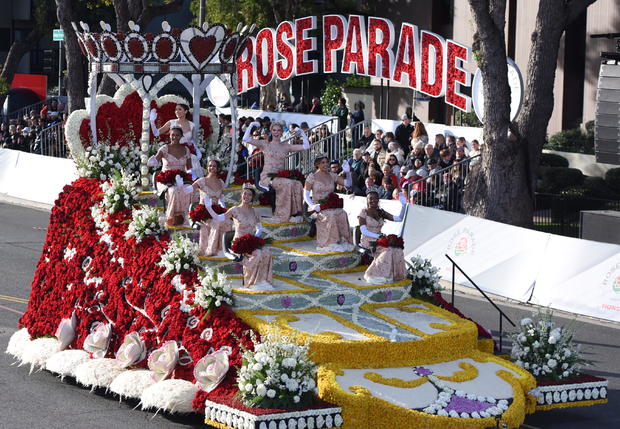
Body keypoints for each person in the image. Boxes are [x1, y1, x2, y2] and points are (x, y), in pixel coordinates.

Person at [204, 185, 273, 290]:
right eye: (244, 193)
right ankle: (251, 282)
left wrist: (255, 237)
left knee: (267, 251)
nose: (246, 196)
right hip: (239, 242)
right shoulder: (235, 210)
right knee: (257, 254)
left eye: (249, 194)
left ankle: (262, 280)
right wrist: (209, 208)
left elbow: (259, 228)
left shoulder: (254, 211)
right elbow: (219, 218)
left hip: (251, 240)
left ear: (252, 197)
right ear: (241, 195)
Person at [243, 120, 310, 223]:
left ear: (282, 132)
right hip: (267, 177)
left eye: (278, 130)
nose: (276, 132)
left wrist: (302, 133)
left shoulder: (286, 146)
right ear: (271, 131)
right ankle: (281, 214)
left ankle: (296, 214)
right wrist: (252, 125)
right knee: (287, 183)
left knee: (297, 183)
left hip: (280, 176)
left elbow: (306, 146)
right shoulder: (265, 144)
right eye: (274, 130)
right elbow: (245, 138)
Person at [304, 155, 353, 252]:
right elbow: (305, 194)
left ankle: (343, 240)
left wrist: (348, 172)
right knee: (330, 215)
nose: (325, 164)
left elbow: (348, 184)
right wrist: (313, 206)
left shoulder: (332, 175)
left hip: (331, 205)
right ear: (317, 164)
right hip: (317, 206)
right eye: (323, 162)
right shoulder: (312, 177)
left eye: (327, 162)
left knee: (342, 213)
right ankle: (330, 243)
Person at [358, 191, 407, 284]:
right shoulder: (363, 212)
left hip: (380, 238)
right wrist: (379, 236)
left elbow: (399, 218)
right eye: (371, 198)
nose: (373, 200)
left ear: (378, 200)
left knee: (396, 248)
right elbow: (363, 231)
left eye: (375, 198)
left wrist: (404, 205)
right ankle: (376, 274)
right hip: (368, 239)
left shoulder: (381, 212)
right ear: (367, 200)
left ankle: (393, 274)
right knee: (388, 250)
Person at [148, 126, 193, 227]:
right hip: (166, 179)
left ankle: (184, 219)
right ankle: (171, 219)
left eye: (177, 135)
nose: (174, 137)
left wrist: (193, 179)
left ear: (181, 136)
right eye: (173, 135)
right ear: (169, 135)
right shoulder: (164, 148)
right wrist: (152, 161)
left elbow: (189, 168)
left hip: (181, 178)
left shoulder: (186, 149)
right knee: (173, 191)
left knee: (188, 190)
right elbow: (156, 160)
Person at [150, 103, 203, 178]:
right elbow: (156, 133)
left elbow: (192, 141)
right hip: (173, 151)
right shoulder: (171, 122)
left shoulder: (192, 125)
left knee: (192, 173)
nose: (177, 111)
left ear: (186, 111)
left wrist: (197, 151)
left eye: (179, 109)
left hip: (187, 152)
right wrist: (152, 122)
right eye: (176, 109)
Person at [192, 159, 232, 257]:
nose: (211, 168)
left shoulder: (221, 182)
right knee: (216, 222)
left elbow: (221, 200)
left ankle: (223, 248)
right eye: (210, 166)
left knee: (228, 222)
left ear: (218, 169)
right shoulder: (202, 181)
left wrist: (225, 212)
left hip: (216, 210)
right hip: (204, 211)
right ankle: (210, 250)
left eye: (214, 166)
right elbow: (189, 190)